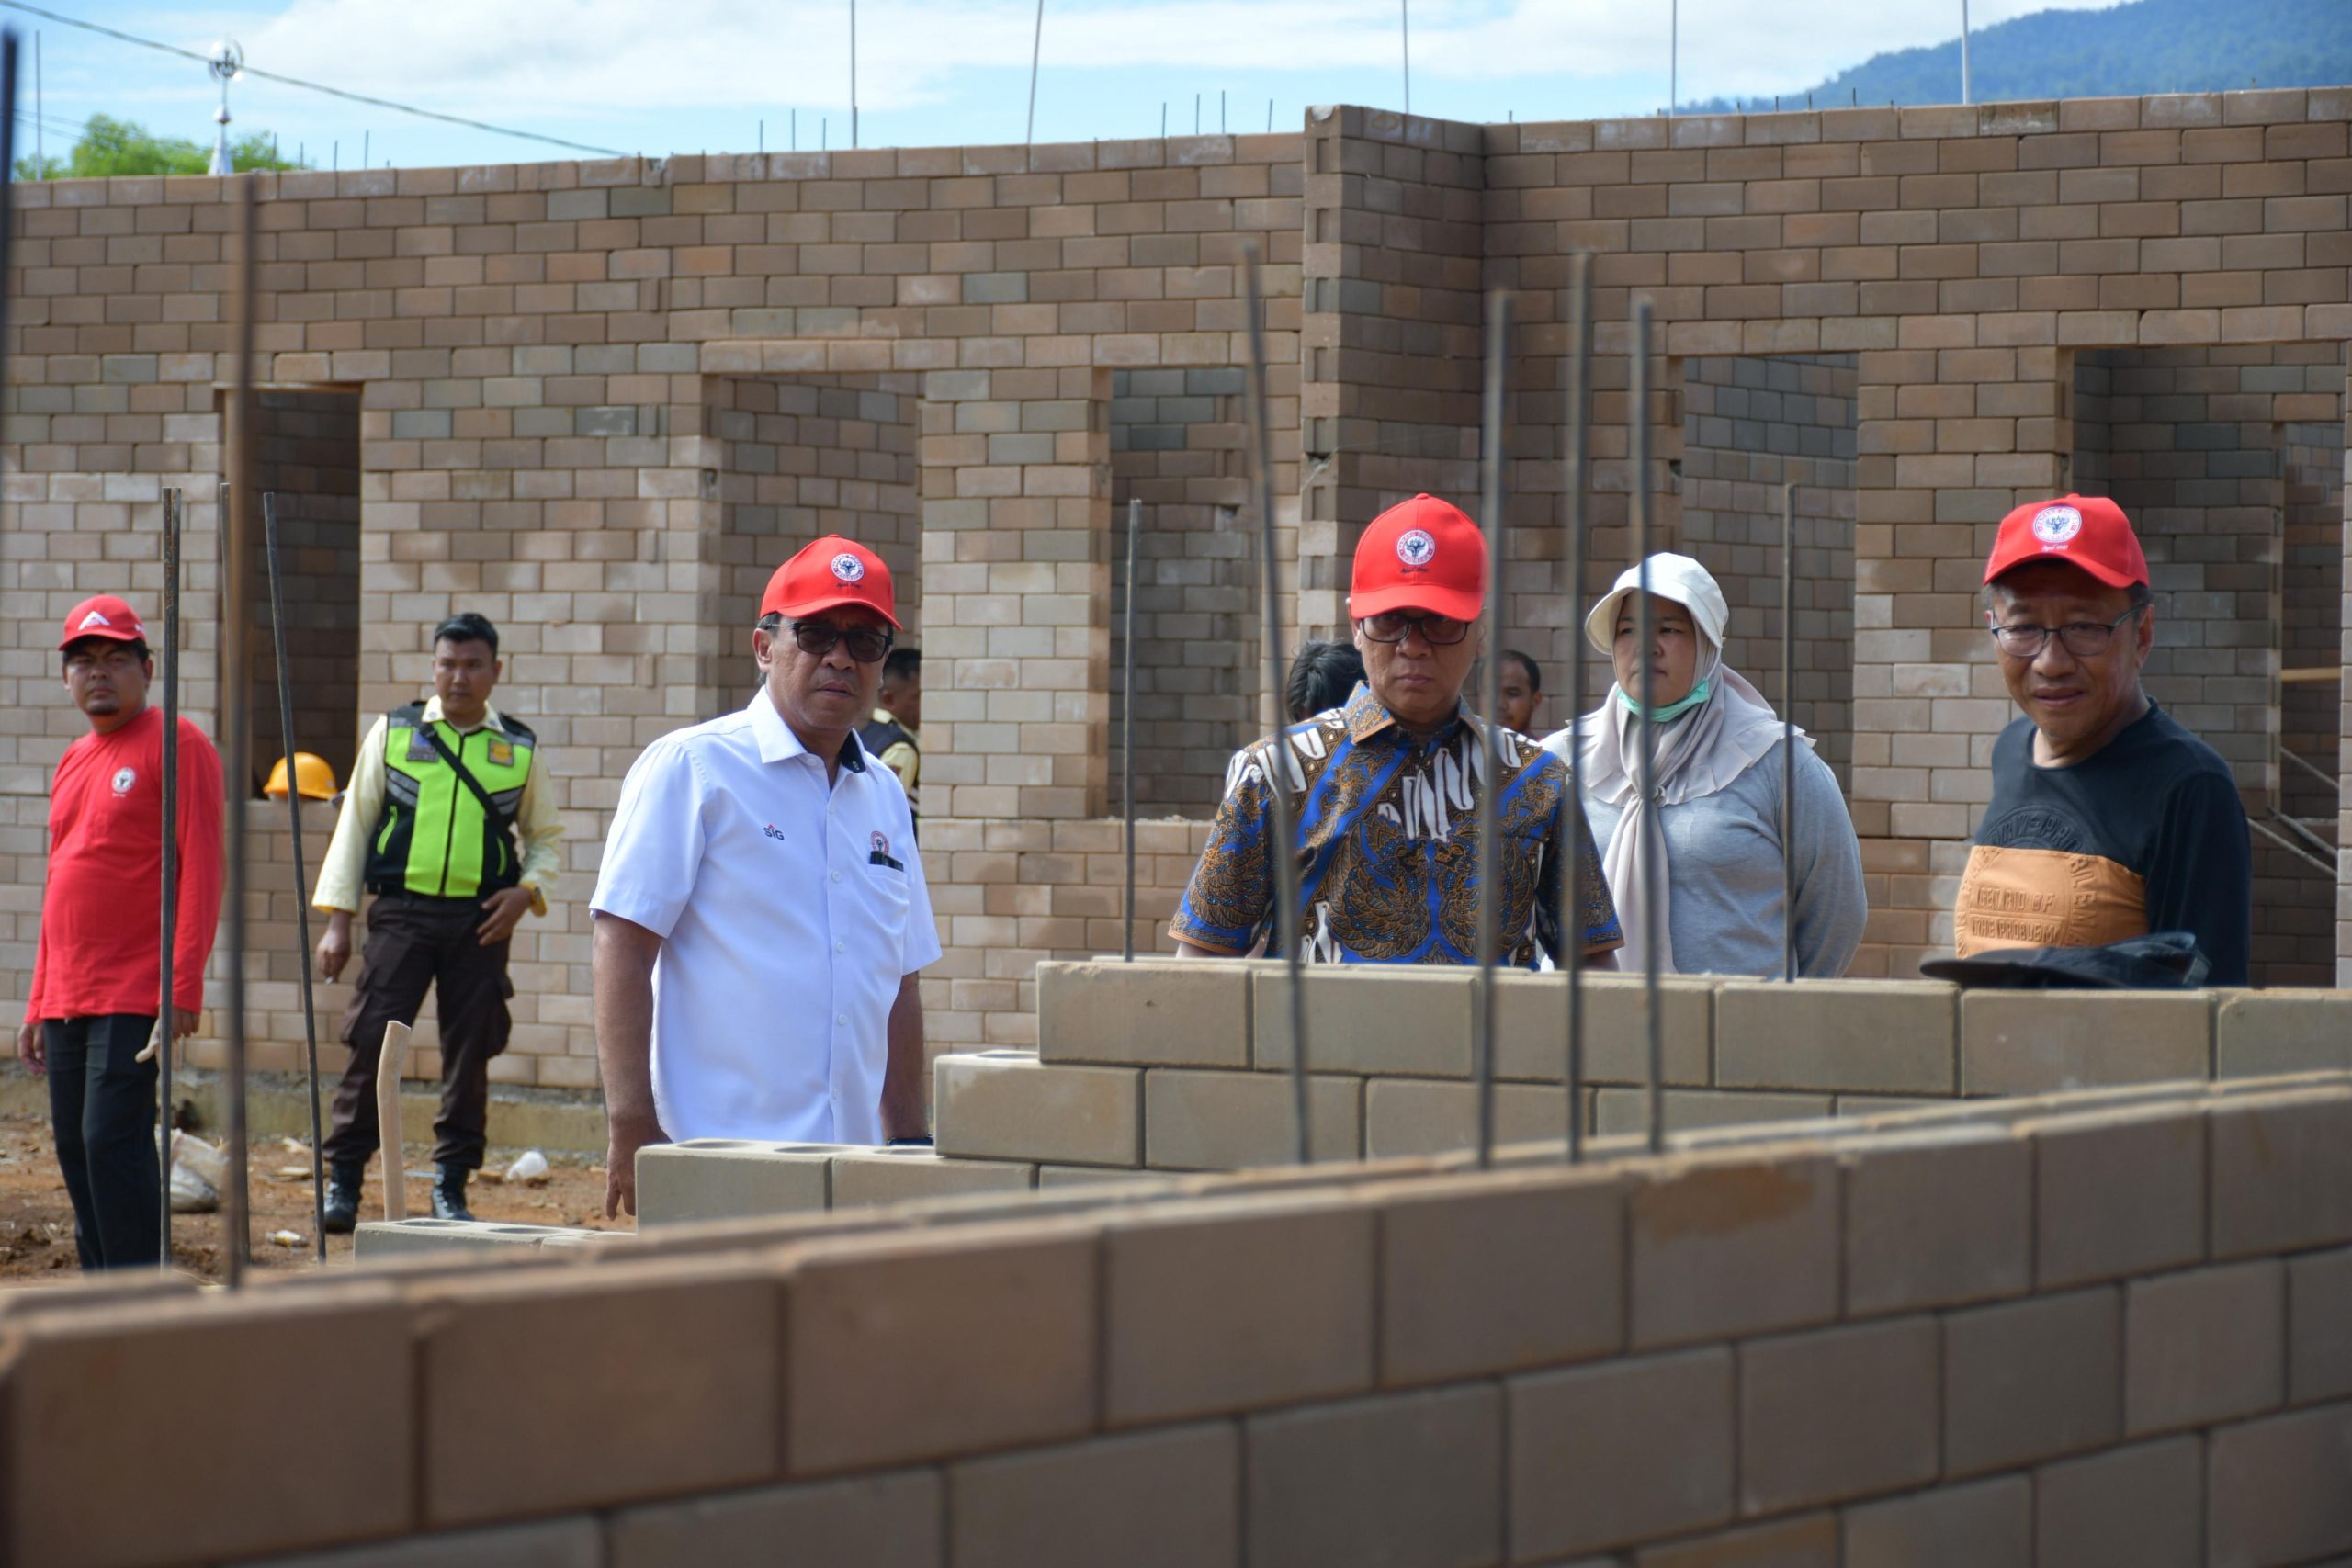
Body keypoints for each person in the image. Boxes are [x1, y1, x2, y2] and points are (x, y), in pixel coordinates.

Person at [593, 536, 938, 1219]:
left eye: (865, 641)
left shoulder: (885, 798)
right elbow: (622, 944)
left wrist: (909, 1137)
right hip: (719, 1164)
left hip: (855, 1174)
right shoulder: (694, 770)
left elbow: (899, 978)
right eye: (815, 633)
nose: (840, 656)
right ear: (763, 646)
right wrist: (630, 1119)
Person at [1172, 494, 1622, 967]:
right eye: (1390, 620)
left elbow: (1591, 963)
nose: (1413, 646)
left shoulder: (1539, 781)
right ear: (1356, 624)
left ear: (1480, 629)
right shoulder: (1274, 773)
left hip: (1490, 1043)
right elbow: (1204, 961)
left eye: (1441, 622)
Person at [311, 613, 563, 1230]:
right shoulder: (394, 732)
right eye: (447, 663)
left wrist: (526, 893)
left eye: (473, 664)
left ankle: (450, 1186)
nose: (459, 676)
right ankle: (343, 1181)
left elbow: (547, 839)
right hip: (401, 914)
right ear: (433, 668)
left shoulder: (518, 747)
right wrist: (338, 922)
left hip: (481, 921)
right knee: (372, 1041)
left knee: (469, 1052)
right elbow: (356, 825)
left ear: (495, 671)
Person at [1956, 494, 2251, 983]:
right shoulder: (2011, 750)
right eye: (2025, 627)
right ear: (1994, 629)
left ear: (2142, 636)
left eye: (2084, 627)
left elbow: (2209, 1012)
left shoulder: (2189, 787)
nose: (2051, 662)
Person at [17, 595, 223, 1269]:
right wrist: (38, 1000)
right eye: (84, 661)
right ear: (67, 677)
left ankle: (140, 1294)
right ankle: (100, 1292)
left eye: (114, 659)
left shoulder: (178, 742)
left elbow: (202, 866)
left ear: (147, 667)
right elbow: (60, 882)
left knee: (111, 1140)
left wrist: (182, 981)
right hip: (69, 990)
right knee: (76, 1147)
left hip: (138, 986)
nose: (98, 673)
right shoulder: (76, 757)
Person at [1547, 554, 1864, 978]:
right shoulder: (1562, 761)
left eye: (1669, 629)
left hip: (1736, 1037)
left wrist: (1784, 1012)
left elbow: (1836, 912)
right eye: (1627, 630)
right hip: (1590, 1033)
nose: (1646, 645)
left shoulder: (1778, 763)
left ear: (1707, 644)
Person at [1222, 639, 1368, 799]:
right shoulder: (1260, 770)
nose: (1317, 744)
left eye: (1330, 725)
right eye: (1307, 727)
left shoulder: (1389, 765)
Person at [860, 646, 922, 811]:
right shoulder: (901, 748)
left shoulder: (865, 734)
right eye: (918, 696)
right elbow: (887, 811)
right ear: (889, 699)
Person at [1497, 649, 1542, 737]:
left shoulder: (1546, 749)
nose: (1500, 704)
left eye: (1512, 693)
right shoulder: (1464, 750)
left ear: (1535, 701)